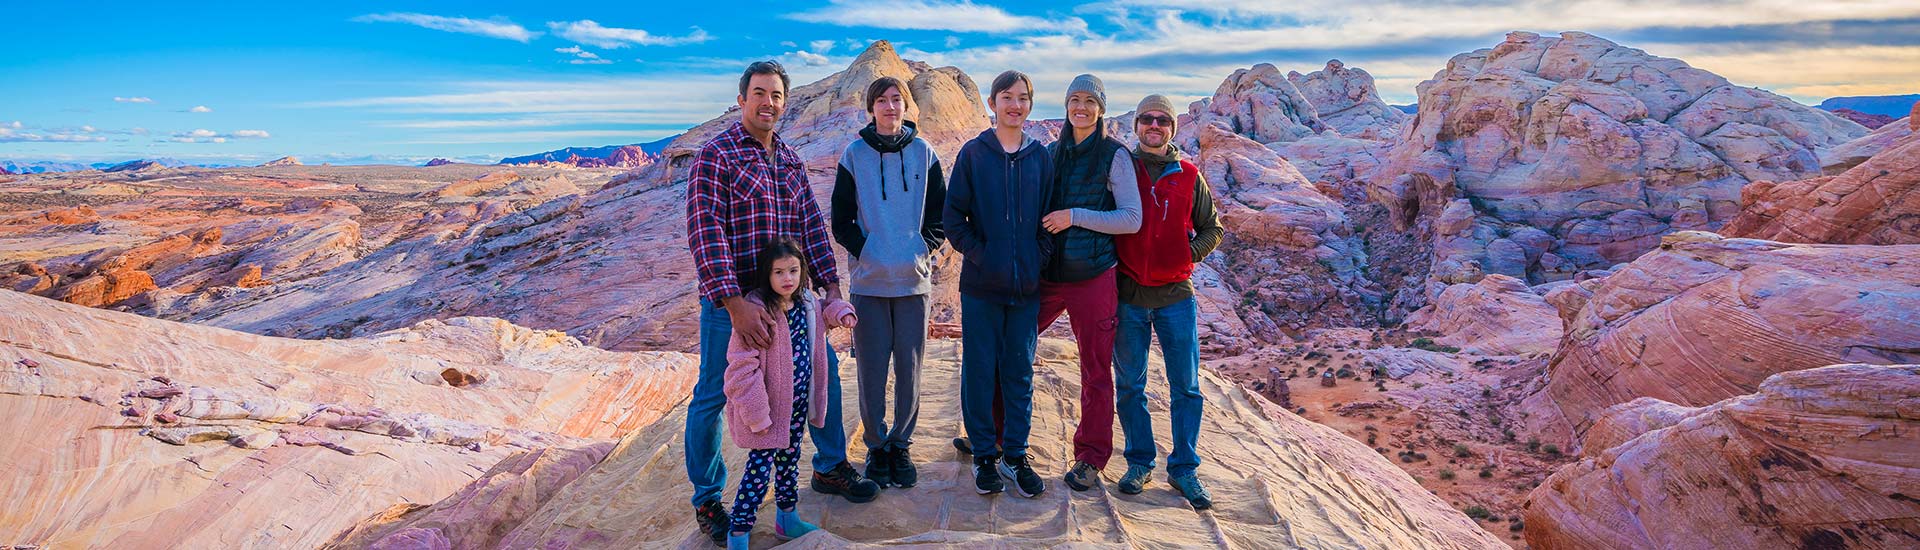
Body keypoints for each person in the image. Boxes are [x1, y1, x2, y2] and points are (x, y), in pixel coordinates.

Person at [684, 59, 878, 546]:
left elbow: (811, 226)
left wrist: (830, 288)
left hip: (791, 302)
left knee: (823, 372)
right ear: (741, 98)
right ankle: (709, 499)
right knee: (713, 391)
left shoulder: (788, 159)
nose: (768, 102)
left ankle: (830, 467)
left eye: (776, 95)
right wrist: (735, 303)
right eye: (759, 93)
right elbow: (705, 232)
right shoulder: (717, 156)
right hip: (734, 306)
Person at [830, 76, 946, 490]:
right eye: (882, 100)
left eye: (897, 100)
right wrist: (867, 250)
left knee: (910, 369)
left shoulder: (924, 153)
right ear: (871, 108)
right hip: (869, 284)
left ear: (907, 106)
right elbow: (841, 219)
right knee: (873, 370)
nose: (890, 107)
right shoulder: (854, 154)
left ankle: (901, 444)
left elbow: (940, 215)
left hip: (914, 284)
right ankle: (877, 446)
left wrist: (921, 249)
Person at [943, 69, 1054, 499]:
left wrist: (1035, 258)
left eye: (1023, 98)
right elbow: (953, 218)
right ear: (993, 103)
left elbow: (1050, 219)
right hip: (981, 287)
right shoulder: (974, 154)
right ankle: (985, 456)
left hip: (1025, 288)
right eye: (1007, 97)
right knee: (979, 370)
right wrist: (984, 255)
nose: (1015, 105)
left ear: (1029, 104)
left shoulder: (1039, 157)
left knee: (1019, 372)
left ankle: (1015, 454)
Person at [1111, 94, 1223, 510]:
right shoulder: (1122, 169)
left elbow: (1213, 228)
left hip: (1176, 297)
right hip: (1129, 296)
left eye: (1162, 120)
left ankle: (1184, 469)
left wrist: (1186, 255)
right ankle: (1140, 461)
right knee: (1130, 384)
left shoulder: (1189, 175)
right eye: (1146, 119)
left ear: (1172, 128)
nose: (1154, 125)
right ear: (1137, 125)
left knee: (1186, 386)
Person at [1038, 73, 1142, 492]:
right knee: (1011, 347)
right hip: (1048, 276)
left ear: (1100, 108)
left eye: (1089, 101)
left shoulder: (1114, 156)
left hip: (1094, 277)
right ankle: (994, 436)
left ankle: (1090, 457)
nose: (1080, 107)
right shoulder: (1050, 152)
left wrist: (1074, 215)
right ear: (1065, 106)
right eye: (1073, 100)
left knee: (1096, 370)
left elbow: (1130, 219)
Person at [722, 239, 858, 549]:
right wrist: (756, 414)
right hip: (768, 412)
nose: (788, 279)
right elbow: (741, 370)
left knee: (789, 461)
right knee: (758, 471)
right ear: (766, 275)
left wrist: (842, 312)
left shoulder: (806, 302)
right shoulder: (758, 312)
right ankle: (739, 532)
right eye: (779, 272)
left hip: (797, 404)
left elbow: (825, 314)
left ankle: (787, 519)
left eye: (794, 271)